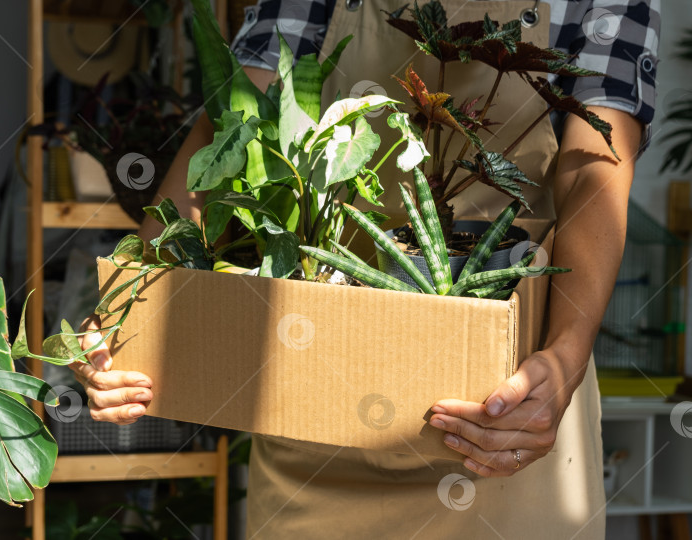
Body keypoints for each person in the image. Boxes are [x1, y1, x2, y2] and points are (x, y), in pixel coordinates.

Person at [71, 0, 659, 537]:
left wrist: (565, 353)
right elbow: (233, 125)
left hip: (504, 419)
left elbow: (595, 166)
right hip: (315, 403)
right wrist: (135, 304)